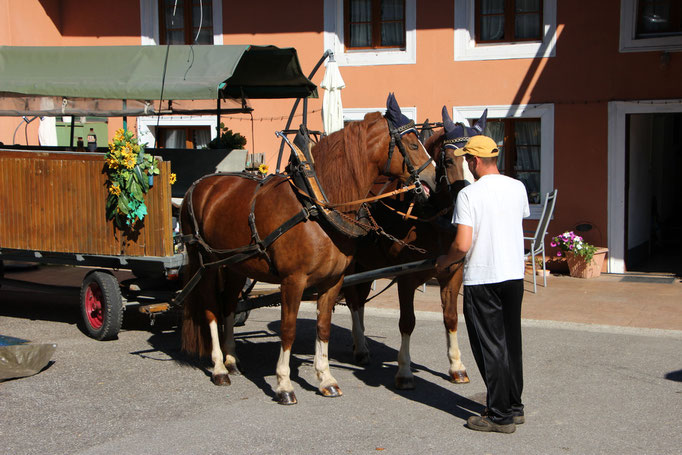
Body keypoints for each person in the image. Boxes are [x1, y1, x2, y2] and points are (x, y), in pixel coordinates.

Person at [435, 135, 529, 434]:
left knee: (491, 347)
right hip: (514, 275)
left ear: (475, 161)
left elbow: (462, 245)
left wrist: (444, 261)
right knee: (511, 342)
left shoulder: (469, 195)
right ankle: (514, 406)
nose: (466, 166)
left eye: (466, 160)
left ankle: (500, 415)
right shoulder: (518, 187)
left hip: (483, 278)